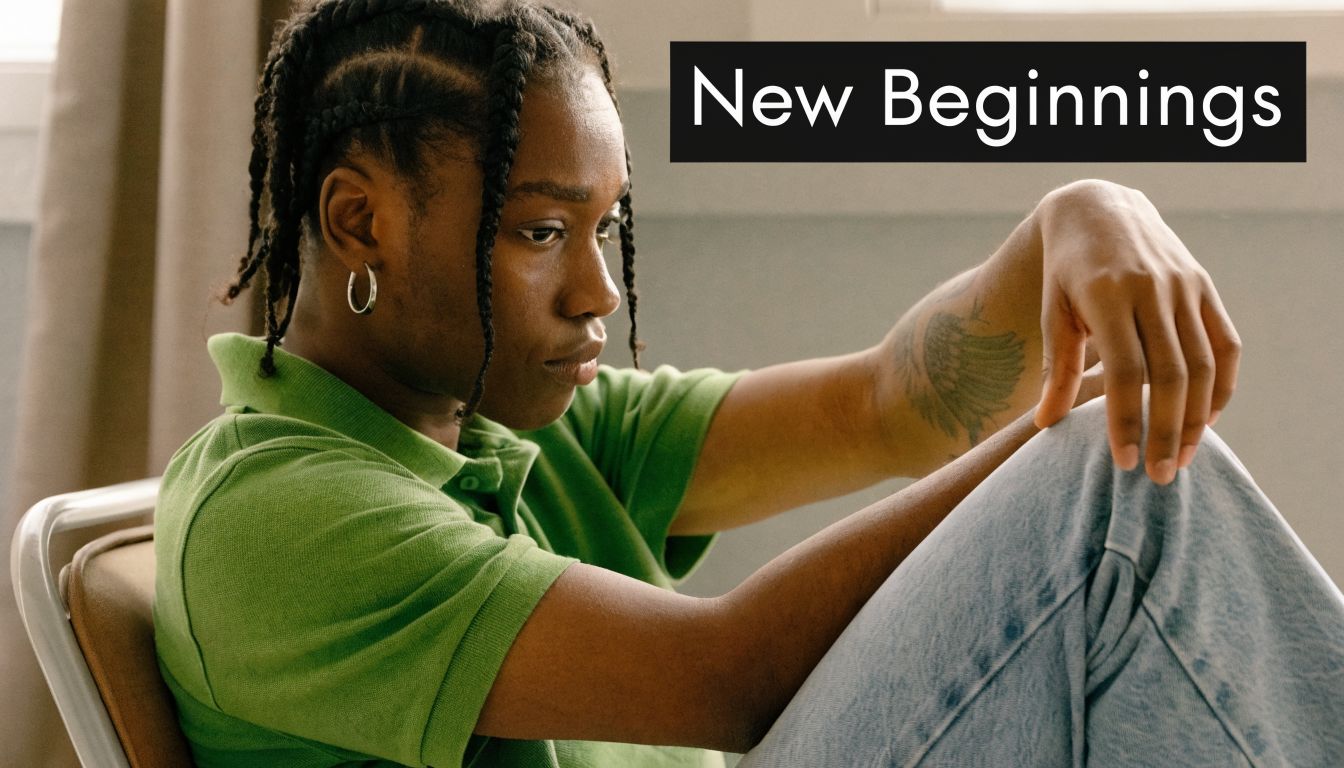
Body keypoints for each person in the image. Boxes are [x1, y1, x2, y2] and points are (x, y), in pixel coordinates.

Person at [152, 0, 1344, 766]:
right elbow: (730, 681)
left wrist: (1082, 214)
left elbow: (891, 406)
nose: (596, 294)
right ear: (360, 222)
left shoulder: (515, 426)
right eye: (534, 233)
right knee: (1108, 492)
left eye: (604, 230)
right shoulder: (277, 517)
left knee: (1124, 527)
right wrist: (1060, 457)